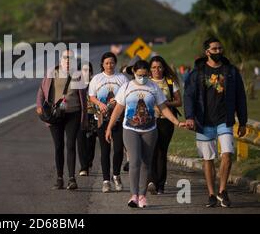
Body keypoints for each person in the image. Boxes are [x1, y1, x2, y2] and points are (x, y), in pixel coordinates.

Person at [105, 60, 189, 208]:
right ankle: (134, 196)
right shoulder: (127, 86)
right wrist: (109, 127)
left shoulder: (154, 87)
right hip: (130, 129)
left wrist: (177, 122)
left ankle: (142, 196)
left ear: (148, 74)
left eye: (145, 75)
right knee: (135, 161)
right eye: (139, 75)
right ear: (134, 73)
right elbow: (118, 109)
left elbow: (163, 108)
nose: (142, 78)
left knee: (146, 163)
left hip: (150, 129)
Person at [184, 38, 247, 208]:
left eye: (220, 48)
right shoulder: (197, 72)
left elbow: (241, 97)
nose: (218, 51)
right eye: (214, 49)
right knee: (208, 159)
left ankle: (223, 190)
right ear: (207, 52)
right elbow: (188, 96)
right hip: (204, 121)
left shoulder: (231, 71)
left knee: (227, 153)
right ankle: (211, 194)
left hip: (224, 120)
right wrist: (189, 116)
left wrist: (242, 121)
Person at [36, 49, 88, 190]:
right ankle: (59, 178)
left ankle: (72, 178)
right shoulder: (51, 73)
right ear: (61, 59)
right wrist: (39, 106)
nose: (68, 60)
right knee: (58, 146)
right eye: (65, 57)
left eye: (70, 58)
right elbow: (42, 89)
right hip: (55, 114)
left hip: (73, 113)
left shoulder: (78, 76)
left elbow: (83, 97)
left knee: (71, 145)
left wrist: (85, 117)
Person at [89, 52, 128, 192]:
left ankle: (116, 175)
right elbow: (91, 96)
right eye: (106, 63)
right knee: (105, 150)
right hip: (102, 119)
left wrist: (117, 101)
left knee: (118, 149)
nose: (109, 65)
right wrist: (100, 104)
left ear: (115, 63)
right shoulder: (97, 79)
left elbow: (127, 95)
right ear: (102, 64)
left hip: (118, 118)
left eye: (112, 63)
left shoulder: (122, 78)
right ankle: (106, 180)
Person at [147, 56, 182, 194]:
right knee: (151, 151)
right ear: (150, 69)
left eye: (159, 67)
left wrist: (166, 103)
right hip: (149, 121)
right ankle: (152, 182)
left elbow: (179, 102)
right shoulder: (147, 82)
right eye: (154, 67)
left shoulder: (170, 82)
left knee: (162, 151)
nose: (157, 70)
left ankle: (161, 184)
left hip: (166, 121)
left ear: (164, 68)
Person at [77, 61, 97, 177]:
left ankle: (89, 161)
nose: (86, 73)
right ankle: (83, 167)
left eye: (88, 70)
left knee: (91, 140)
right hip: (79, 115)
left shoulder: (95, 84)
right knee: (81, 140)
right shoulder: (76, 85)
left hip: (92, 115)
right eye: (84, 70)